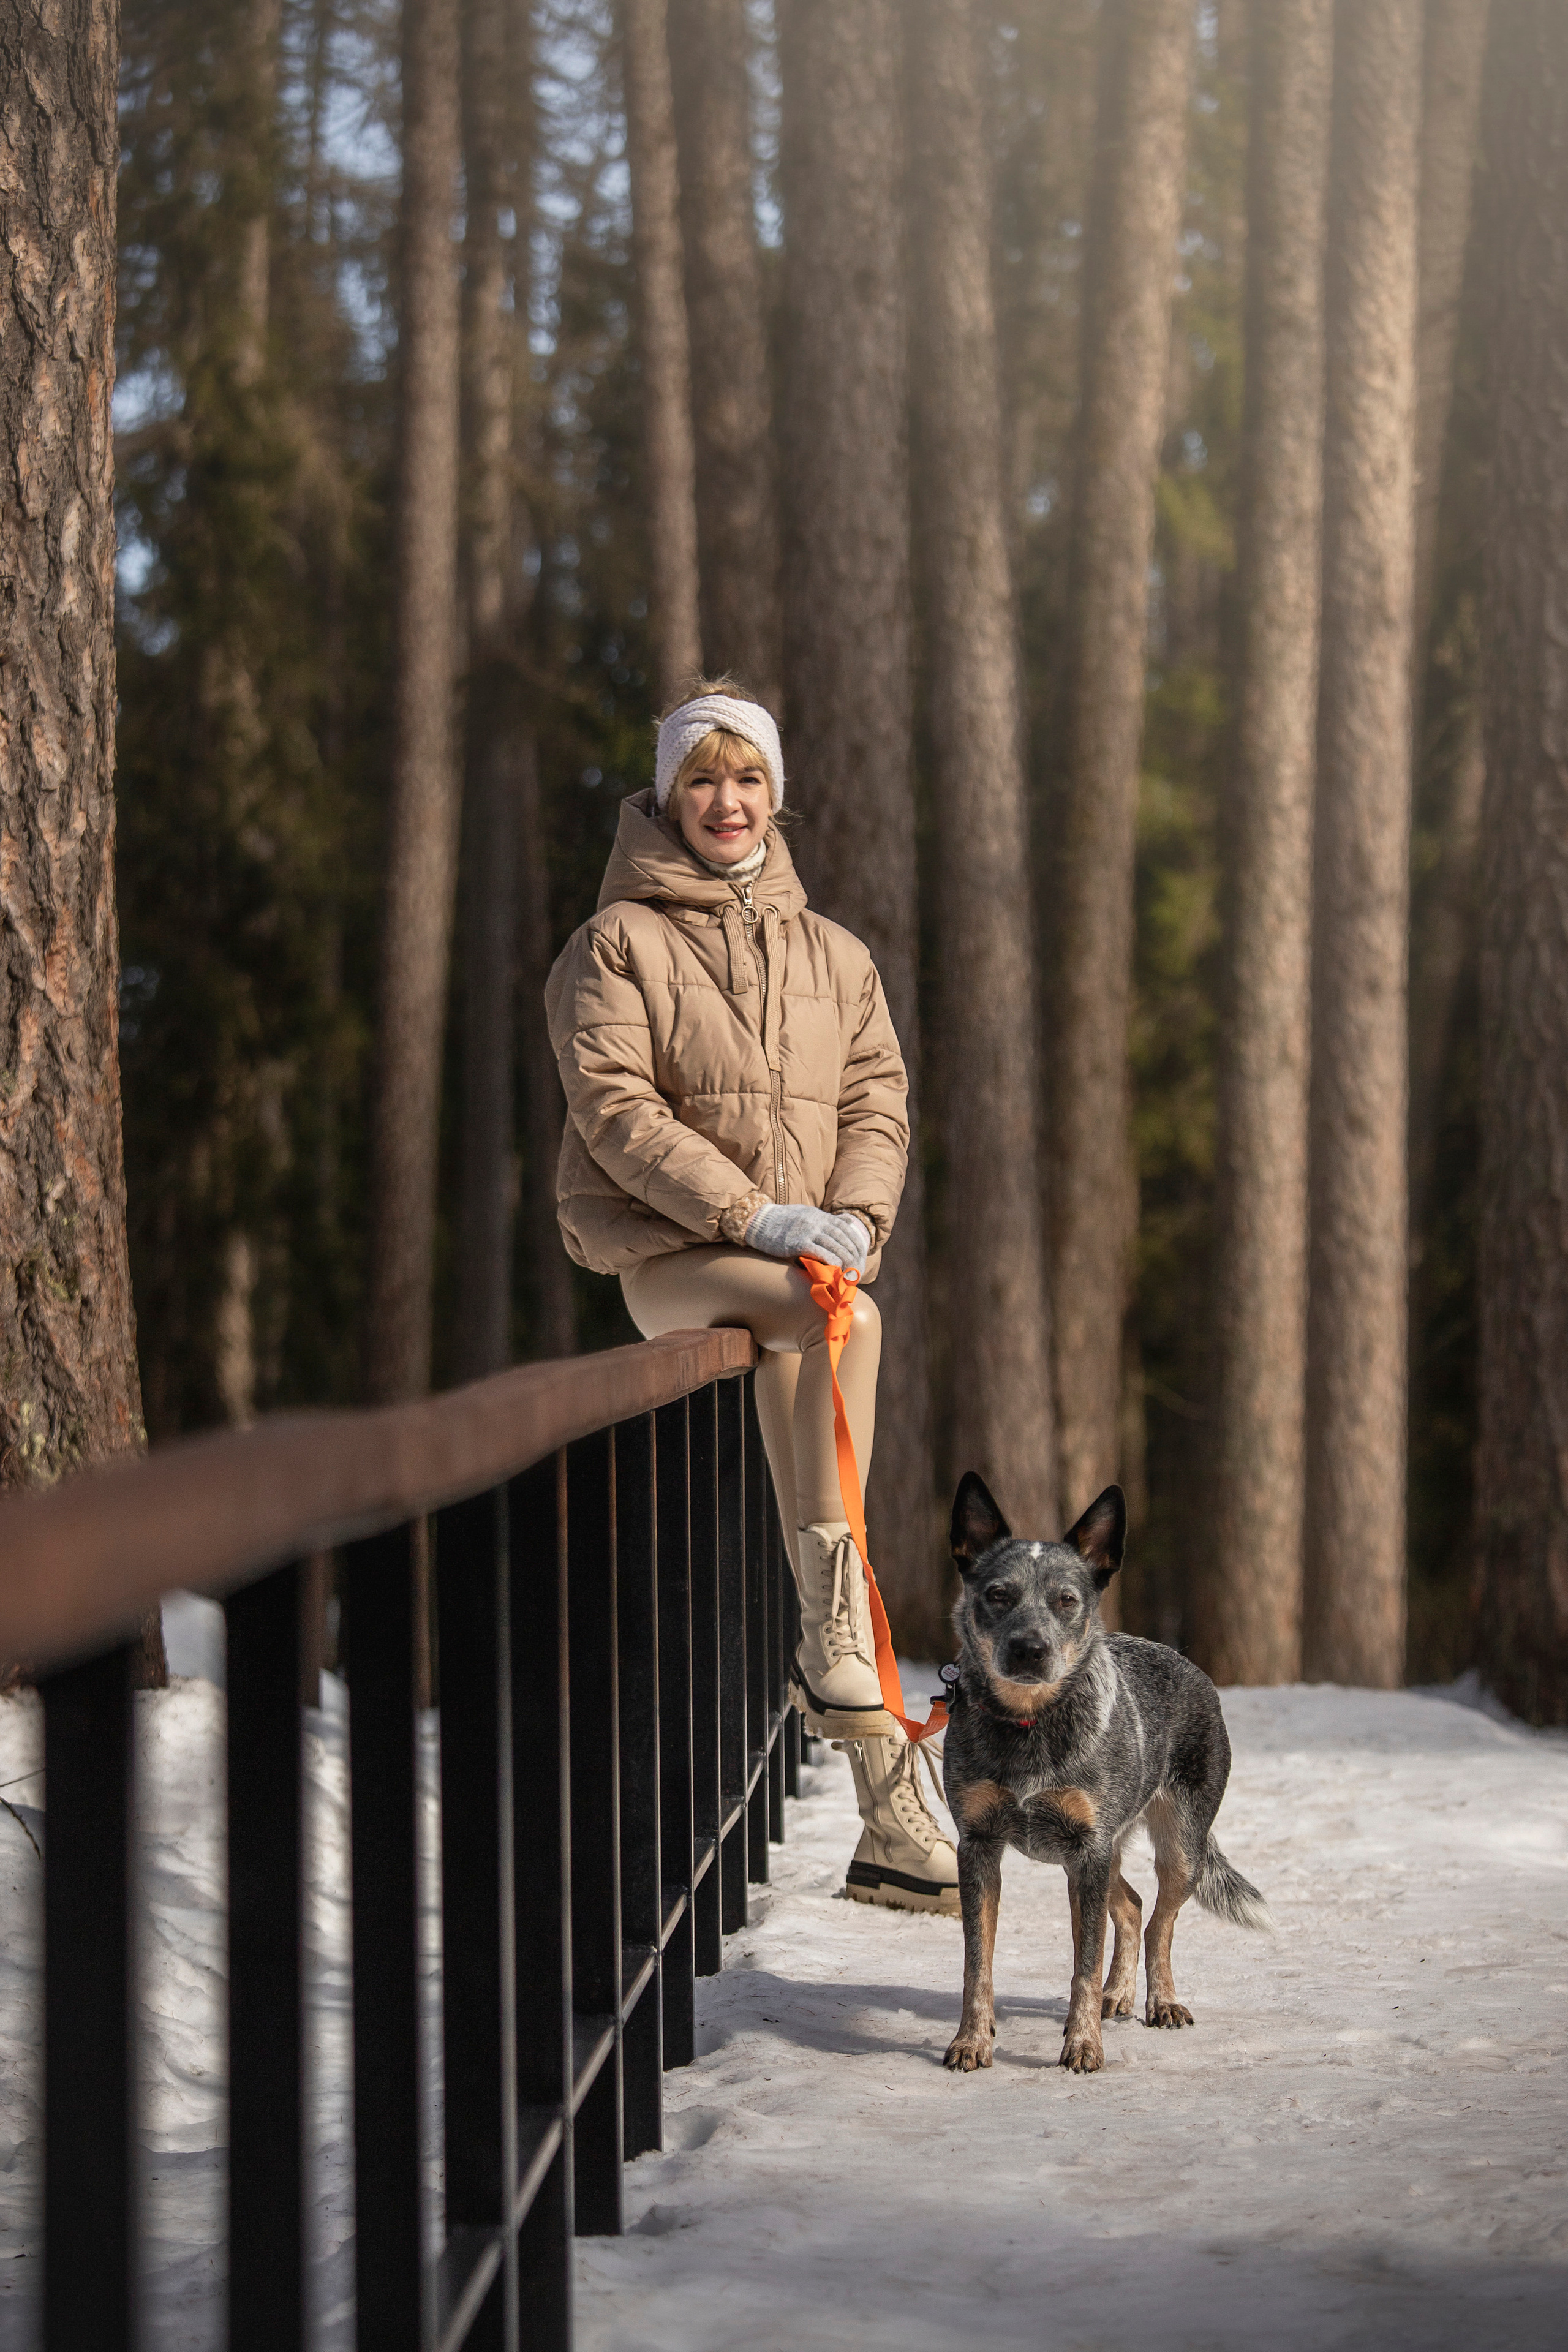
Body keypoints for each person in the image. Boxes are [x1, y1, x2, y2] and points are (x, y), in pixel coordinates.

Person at [545, 678, 957, 1915]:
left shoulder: (837, 956)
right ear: (668, 795)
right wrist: (758, 1217)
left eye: (747, 779)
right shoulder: (614, 944)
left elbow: (877, 1102)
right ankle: (836, 1659)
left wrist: (856, 1220)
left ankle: (888, 1815)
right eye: (703, 779)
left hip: (806, 1268)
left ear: (776, 794)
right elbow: (618, 1113)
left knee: (821, 1327)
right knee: (838, 1322)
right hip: (674, 1259)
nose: (726, 802)